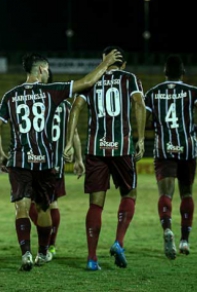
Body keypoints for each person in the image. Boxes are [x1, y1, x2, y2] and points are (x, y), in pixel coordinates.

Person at [0, 51, 122, 271]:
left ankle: (26, 255)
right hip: (44, 161)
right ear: (41, 69)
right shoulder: (52, 91)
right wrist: (106, 63)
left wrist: (1, 154)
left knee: (21, 209)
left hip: (20, 158)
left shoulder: (10, 95)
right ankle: (43, 252)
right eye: (47, 69)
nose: (48, 72)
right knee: (44, 209)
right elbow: (88, 81)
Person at [64, 46, 146, 271]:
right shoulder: (130, 78)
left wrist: (69, 142)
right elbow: (139, 103)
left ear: (105, 60)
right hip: (122, 148)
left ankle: (92, 258)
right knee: (129, 193)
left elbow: (75, 108)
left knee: (96, 204)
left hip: (95, 149)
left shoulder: (92, 79)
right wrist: (140, 139)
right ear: (124, 65)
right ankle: (119, 242)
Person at [144, 55, 197, 259]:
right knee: (186, 193)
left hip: (164, 148)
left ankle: (167, 229)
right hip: (187, 147)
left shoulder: (153, 93)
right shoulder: (193, 92)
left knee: (166, 192)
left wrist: (155, 128)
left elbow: (143, 119)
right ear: (183, 73)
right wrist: (194, 133)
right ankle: (184, 241)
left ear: (165, 73)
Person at [27, 70, 85, 262]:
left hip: (37, 163)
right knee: (52, 203)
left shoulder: (35, 102)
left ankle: (46, 241)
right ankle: (50, 245)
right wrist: (78, 159)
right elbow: (74, 133)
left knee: (30, 206)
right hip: (57, 164)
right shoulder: (66, 106)